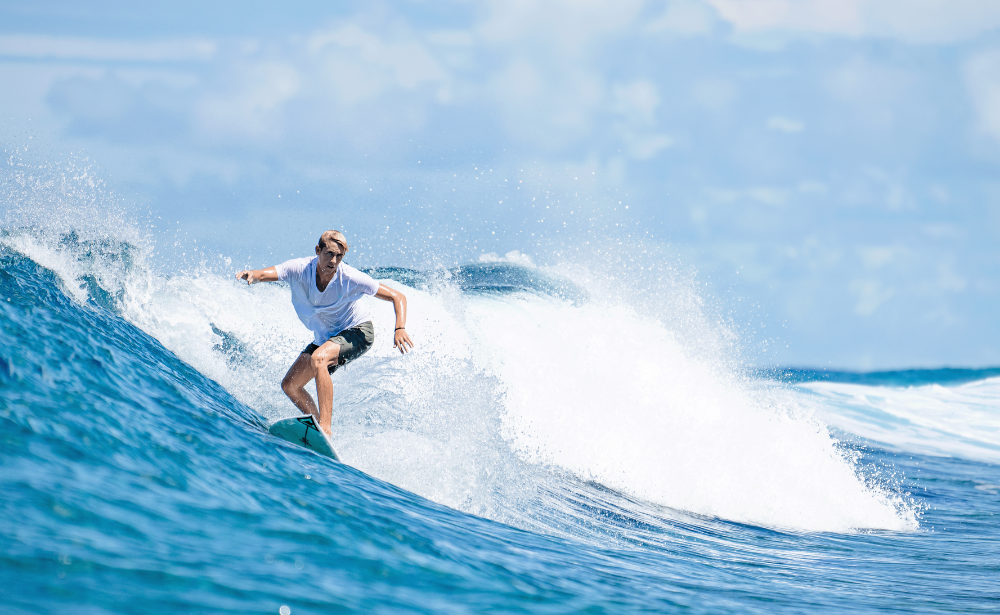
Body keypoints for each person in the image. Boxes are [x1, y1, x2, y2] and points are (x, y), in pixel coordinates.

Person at [235, 230, 413, 436]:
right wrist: (252, 275)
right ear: (318, 250)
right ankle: (317, 425)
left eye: (340, 256)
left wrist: (399, 328)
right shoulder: (300, 268)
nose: (334, 260)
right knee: (291, 385)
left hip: (358, 332)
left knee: (320, 359)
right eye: (329, 253)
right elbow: (265, 274)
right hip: (326, 338)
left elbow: (397, 296)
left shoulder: (349, 277)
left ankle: (325, 430)